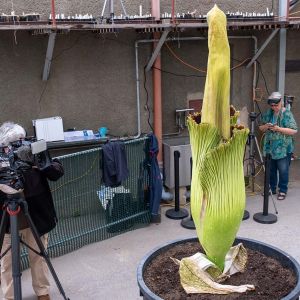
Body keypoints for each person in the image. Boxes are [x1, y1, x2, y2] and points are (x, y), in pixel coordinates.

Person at [0, 122, 64, 300]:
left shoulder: (35, 153)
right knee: (6, 263)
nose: (23, 146)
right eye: (16, 143)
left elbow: (57, 173)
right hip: (6, 220)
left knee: (38, 257)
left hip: (35, 217)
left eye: (23, 140)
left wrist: (43, 163)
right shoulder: (2, 159)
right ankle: (10, 296)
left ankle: (43, 292)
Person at [259, 92, 298, 200]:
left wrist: (278, 129)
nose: (274, 107)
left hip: (284, 148)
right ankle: (271, 188)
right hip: (270, 148)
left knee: (283, 170)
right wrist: (266, 126)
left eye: (276, 105)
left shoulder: (287, 114)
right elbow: (260, 128)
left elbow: (294, 130)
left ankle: (283, 190)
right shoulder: (268, 113)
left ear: (281, 102)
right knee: (270, 170)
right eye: (271, 105)